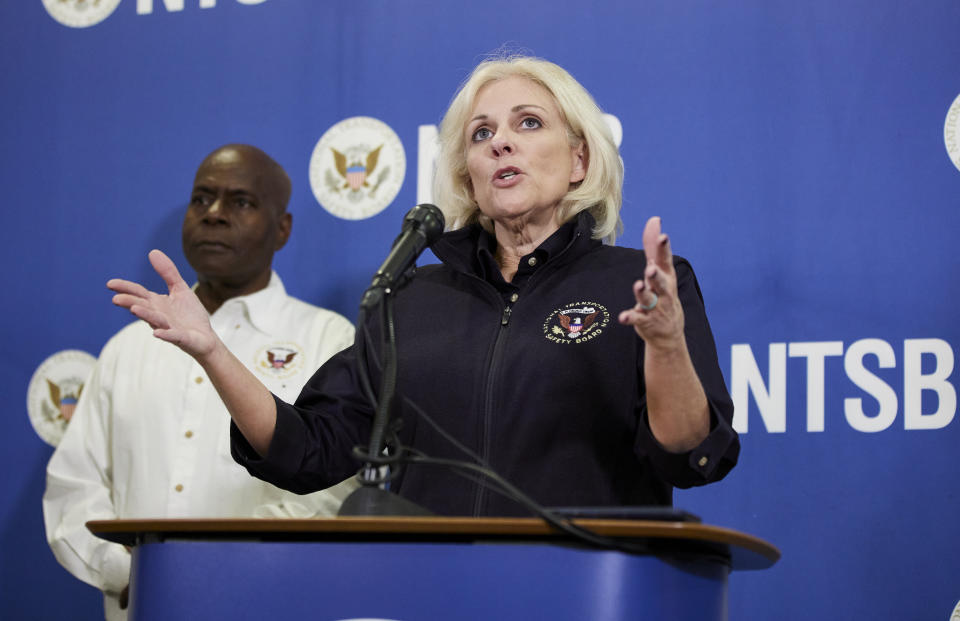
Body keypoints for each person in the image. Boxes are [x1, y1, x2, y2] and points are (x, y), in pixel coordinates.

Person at [107, 56, 738, 518]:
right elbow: (311, 450)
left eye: (528, 123)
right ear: (467, 175)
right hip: (430, 595)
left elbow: (688, 454)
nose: (502, 143)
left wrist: (665, 344)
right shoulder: (411, 299)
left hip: (584, 592)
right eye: (482, 134)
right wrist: (215, 351)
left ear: (579, 160)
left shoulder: (640, 284)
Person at [43, 144, 358, 621]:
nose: (214, 214)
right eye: (202, 199)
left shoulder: (326, 338)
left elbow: (330, 494)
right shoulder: (129, 347)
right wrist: (134, 571)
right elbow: (74, 487)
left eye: (241, 202)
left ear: (282, 229)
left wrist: (210, 573)